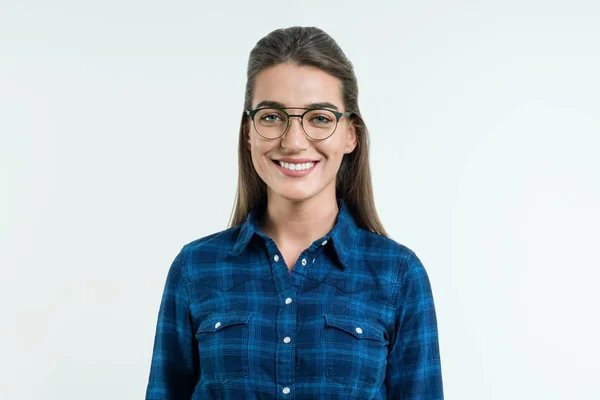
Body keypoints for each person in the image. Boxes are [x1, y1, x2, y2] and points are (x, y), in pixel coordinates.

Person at [145, 26, 443, 400]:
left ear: (350, 134)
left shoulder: (398, 275)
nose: (294, 141)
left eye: (319, 117)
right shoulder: (195, 268)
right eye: (272, 117)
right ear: (249, 132)